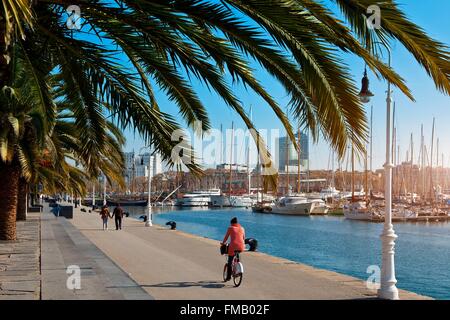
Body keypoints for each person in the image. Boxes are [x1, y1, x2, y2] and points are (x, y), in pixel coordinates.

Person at [221, 217, 245, 282]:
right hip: (241, 246)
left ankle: (228, 277)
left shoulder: (230, 228)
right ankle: (237, 269)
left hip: (233, 246)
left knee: (230, 262)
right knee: (237, 257)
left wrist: (223, 243)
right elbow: (243, 238)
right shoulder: (242, 228)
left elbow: (226, 237)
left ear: (232, 223)